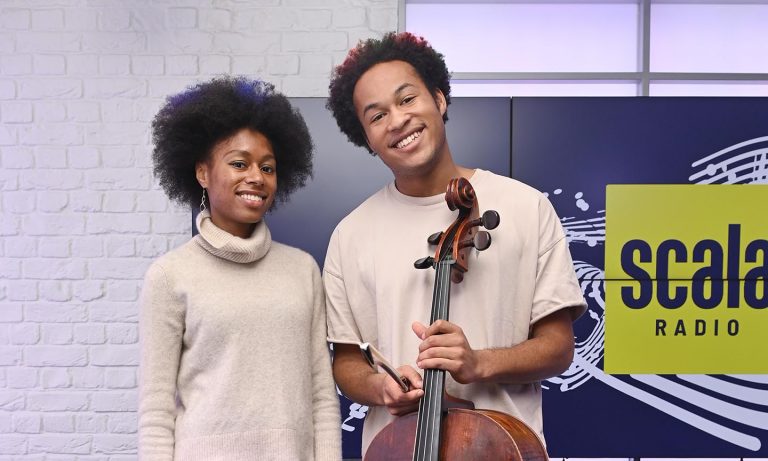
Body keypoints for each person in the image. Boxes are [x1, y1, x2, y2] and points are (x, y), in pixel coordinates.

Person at [323, 31, 587, 455]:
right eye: (377, 116)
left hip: (501, 451)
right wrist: (380, 387)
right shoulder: (350, 235)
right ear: (367, 139)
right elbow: (348, 360)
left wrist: (479, 362)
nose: (397, 120)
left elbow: (558, 348)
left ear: (439, 100)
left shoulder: (527, 207)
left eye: (407, 99)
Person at [138, 76, 341, 460]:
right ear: (202, 173)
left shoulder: (302, 270)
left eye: (267, 167)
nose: (256, 177)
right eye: (238, 163)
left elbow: (321, 393)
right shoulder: (169, 276)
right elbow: (156, 409)